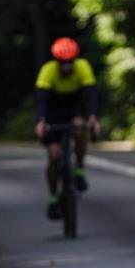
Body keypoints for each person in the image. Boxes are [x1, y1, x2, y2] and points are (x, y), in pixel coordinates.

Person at [33, 37, 101, 220]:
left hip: (74, 108)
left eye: (70, 62)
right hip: (53, 112)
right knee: (54, 155)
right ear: (56, 61)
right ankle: (53, 197)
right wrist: (40, 121)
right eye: (62, 63)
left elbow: (90, 95)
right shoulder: (48, 71)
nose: (66, 67)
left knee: (79, 128)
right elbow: (41, 99)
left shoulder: (83, 67)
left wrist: (93, 118)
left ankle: (79, 171)